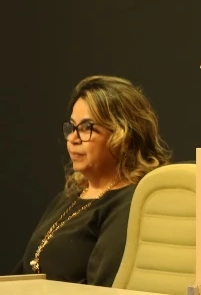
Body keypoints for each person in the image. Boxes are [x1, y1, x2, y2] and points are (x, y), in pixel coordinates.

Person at [12, 75, 172, 286]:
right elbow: (24, 270)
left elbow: (102, 286)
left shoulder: (131, 203)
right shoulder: (69, 196)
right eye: (72, 127)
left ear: (124, 136)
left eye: (87, 128)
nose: (72, 139)